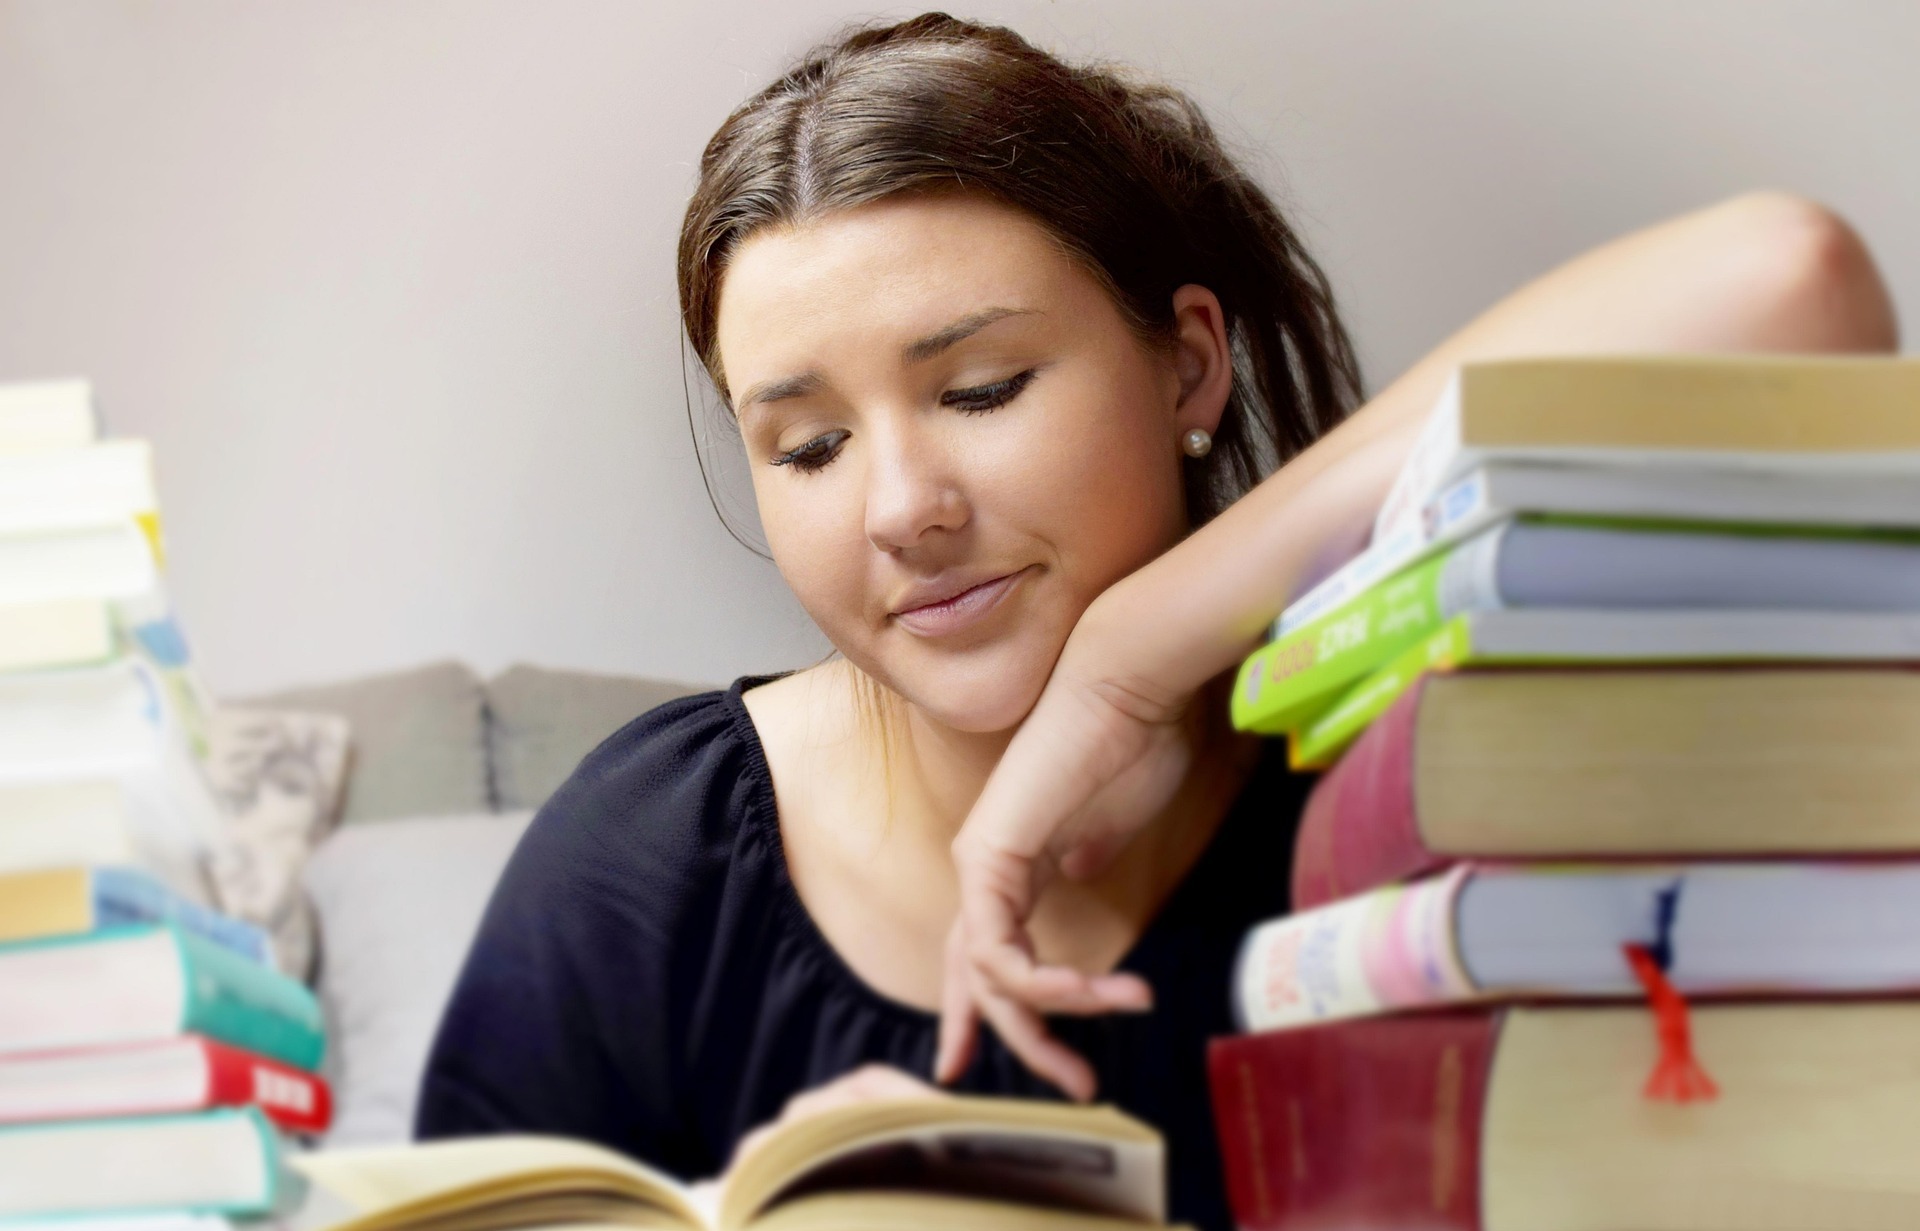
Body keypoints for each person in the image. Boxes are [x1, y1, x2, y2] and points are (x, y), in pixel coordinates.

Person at [415, 14, 1899, 1230]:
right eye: (808, 447)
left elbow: (1790, 282)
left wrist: (1134, 659)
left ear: (1192, 368)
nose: (900, 507)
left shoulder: (1417, 774)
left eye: (981, 390)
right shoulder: (653, 855)